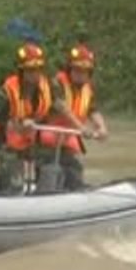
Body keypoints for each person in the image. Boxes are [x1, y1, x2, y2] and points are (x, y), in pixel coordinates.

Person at [0, 42, 92, 193]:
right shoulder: (7, 91)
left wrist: (80, 127)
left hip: (32, 141)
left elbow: (60, 106)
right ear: (22, 71)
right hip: (7, 144)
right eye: (31, 70)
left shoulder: (48, 86)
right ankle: (0, 188)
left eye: (39, 69)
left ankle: (52, 191)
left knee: (62, 160)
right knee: (15, 184)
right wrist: (14, 122)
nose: (35, 74)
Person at [40, 42, 108, 191]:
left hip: (68, 137)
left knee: (74, 169)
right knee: (48, 168)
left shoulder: (88, 89)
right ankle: (44, 192)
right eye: (77, 69)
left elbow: (93, 110)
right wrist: (81, 128)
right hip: (46, 137)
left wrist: (101, 127)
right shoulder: (57, 83)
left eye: (85, 70)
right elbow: (62, 107)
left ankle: (73, 190)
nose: (80, 73)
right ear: (70, 69)